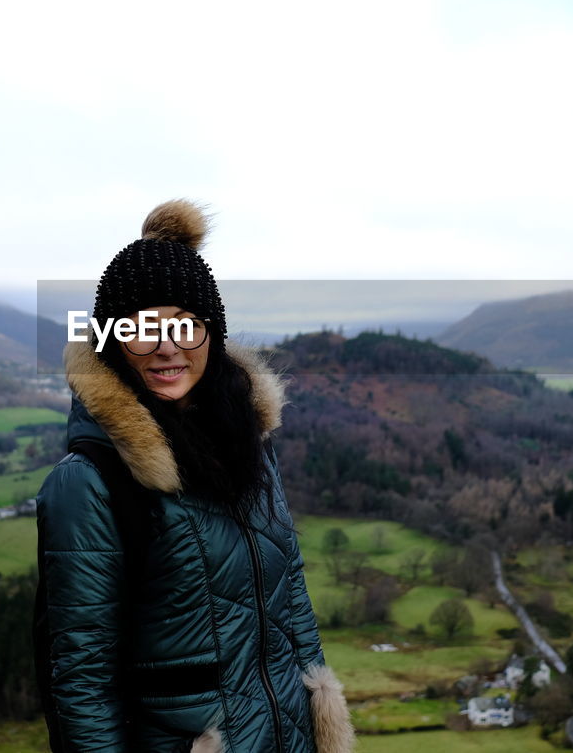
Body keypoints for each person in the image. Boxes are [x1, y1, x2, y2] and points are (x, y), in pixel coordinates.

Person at [36, 199, 353, 752]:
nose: (167, 349)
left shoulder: (247, 444)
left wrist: (324, 723)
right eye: (142, 330)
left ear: (213, 333)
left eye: (186, 326)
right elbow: (82, 684)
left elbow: (292, 599)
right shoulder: (89, 482)